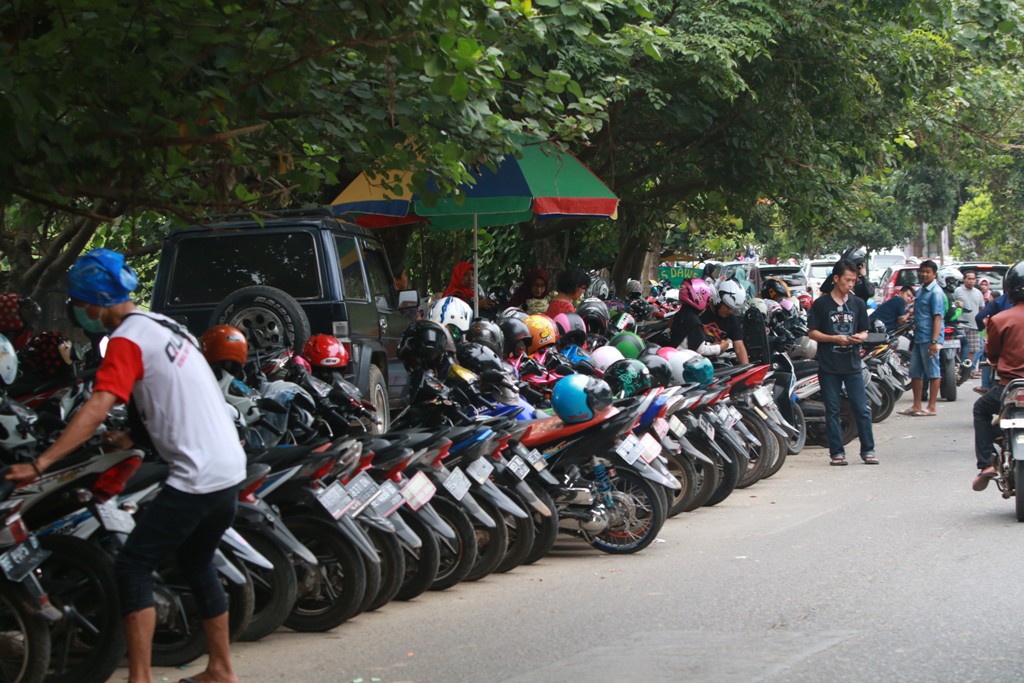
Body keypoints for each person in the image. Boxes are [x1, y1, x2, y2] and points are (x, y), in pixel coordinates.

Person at [6, 248, 245, 683]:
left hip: (197, 475)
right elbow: (162, 393)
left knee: (132, 565)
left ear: (96, 301)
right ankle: (221, 669)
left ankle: (140, 678)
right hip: (229, 467)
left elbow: (100, 404)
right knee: (198, 562)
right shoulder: (164, 326)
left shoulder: (126, 340)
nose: (80, 313)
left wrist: (41, 464)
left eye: (79, 304)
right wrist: (133, 436)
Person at [806, 259, 876, 465]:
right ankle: (837, 452)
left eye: (854, 281)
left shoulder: (858, 304)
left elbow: (864, 330)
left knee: (861, 408)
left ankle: (868, 450)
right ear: (836, 279)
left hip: (853, 364)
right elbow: (813, 333)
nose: (851, 284)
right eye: (847, 280)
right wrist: (833, 339)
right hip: (829, 365)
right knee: (833, 409)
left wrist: (860, 338)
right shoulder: (821, 304)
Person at [971, 261, 1024, 491]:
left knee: (981, 410)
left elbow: (991, 353)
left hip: (1008, 388)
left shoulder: (1000, 319)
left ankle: (986, 464)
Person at [898, 259, 946, 417]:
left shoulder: (936, 293)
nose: (924, 274)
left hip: (930, 339)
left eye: (928, 272)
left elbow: (938, 318)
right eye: (922, 271)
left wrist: (934, 341)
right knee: (915, 372)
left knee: (933, 372)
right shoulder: (921, 290)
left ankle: (932, 407)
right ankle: (916, 405)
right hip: (919, 337)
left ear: (934, 274)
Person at [668, 278, 730, 356]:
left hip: (675, 356)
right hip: (685, 360)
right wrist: (720, 347)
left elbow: (689, 341)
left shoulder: (681, 313)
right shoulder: (693, 320)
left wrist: (712, 344)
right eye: (707, 301)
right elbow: (700, 349)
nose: (707, 304)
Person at [700, 279, 749, 363]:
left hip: (714, 360)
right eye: (728, 307)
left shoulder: (732, 319)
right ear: (718, 300)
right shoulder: (701, 310)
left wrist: (747, 370)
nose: (730, 311)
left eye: (733, 309)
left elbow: (739, 347)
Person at [953, 271, 985, 375]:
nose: (971, 281)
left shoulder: (978, 293)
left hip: (974, 325)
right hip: (960, 325)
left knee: (972, 349)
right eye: (969, 278)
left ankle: (968, 371)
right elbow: (952, 304)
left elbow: (981, 308)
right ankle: (956, 369)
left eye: (973, 279)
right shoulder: (957, 291)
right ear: (964, 279)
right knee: (958, 348)